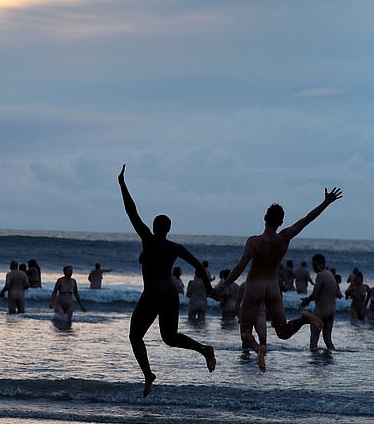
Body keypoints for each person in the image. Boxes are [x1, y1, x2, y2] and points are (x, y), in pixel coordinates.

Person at [216, 186, 342, 371]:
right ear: (281, 221)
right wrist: (325, 203)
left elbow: (240, 267)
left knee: (245, 333)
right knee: (282, 331)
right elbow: (306, 220)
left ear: (265, 218)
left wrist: (223, 286)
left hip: (255, 287)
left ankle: (259, 348)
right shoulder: (285, 237)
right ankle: (303, 319)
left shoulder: (254, 241)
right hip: (273, 288)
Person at [118, 165, 215, 397]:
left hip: (153, 293)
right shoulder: (175, 247)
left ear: (153, 227)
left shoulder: (148, 241)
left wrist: (122, 184)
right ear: (169, 229)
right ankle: (204, 349)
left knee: (135, 336)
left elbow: (131, 211)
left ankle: (148, 374)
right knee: (170, 338)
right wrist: (209, 289)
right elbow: (199, 266)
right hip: (170, 293)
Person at [300, 253, 338, 351]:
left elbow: (314, 294)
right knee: (328, 340)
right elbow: (335, 291)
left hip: (321, 311)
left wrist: (307, 300)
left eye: (315, 264)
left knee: (313, 340)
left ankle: (313, 363)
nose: (313, 267)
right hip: (331, 311)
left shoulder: (320, 275)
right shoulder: (330, 274)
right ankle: (334, 361)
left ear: (322, 264)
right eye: (312, 265)